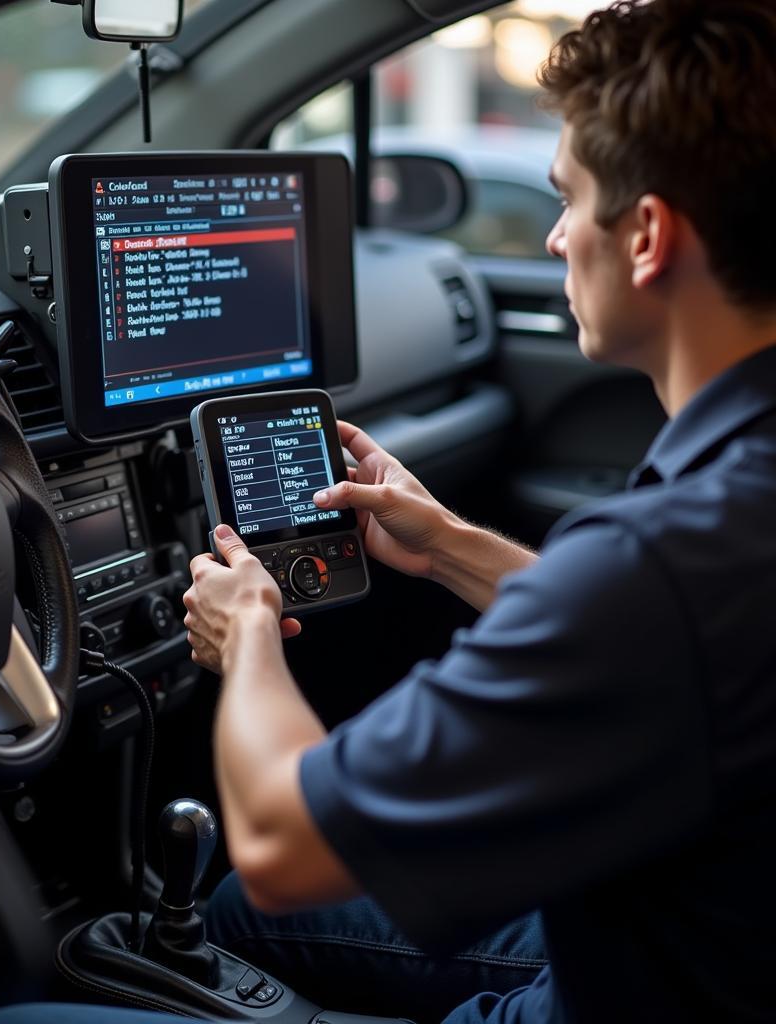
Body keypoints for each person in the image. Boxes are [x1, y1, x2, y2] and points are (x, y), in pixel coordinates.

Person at [179, 1, 776, 1021]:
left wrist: (247, 641)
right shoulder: (717, 529)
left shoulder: (659, 565)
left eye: (567, 198)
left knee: (205, 923)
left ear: (644, 236)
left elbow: (282, 842)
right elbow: (683, 647)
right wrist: (453, 547)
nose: (550, 238)